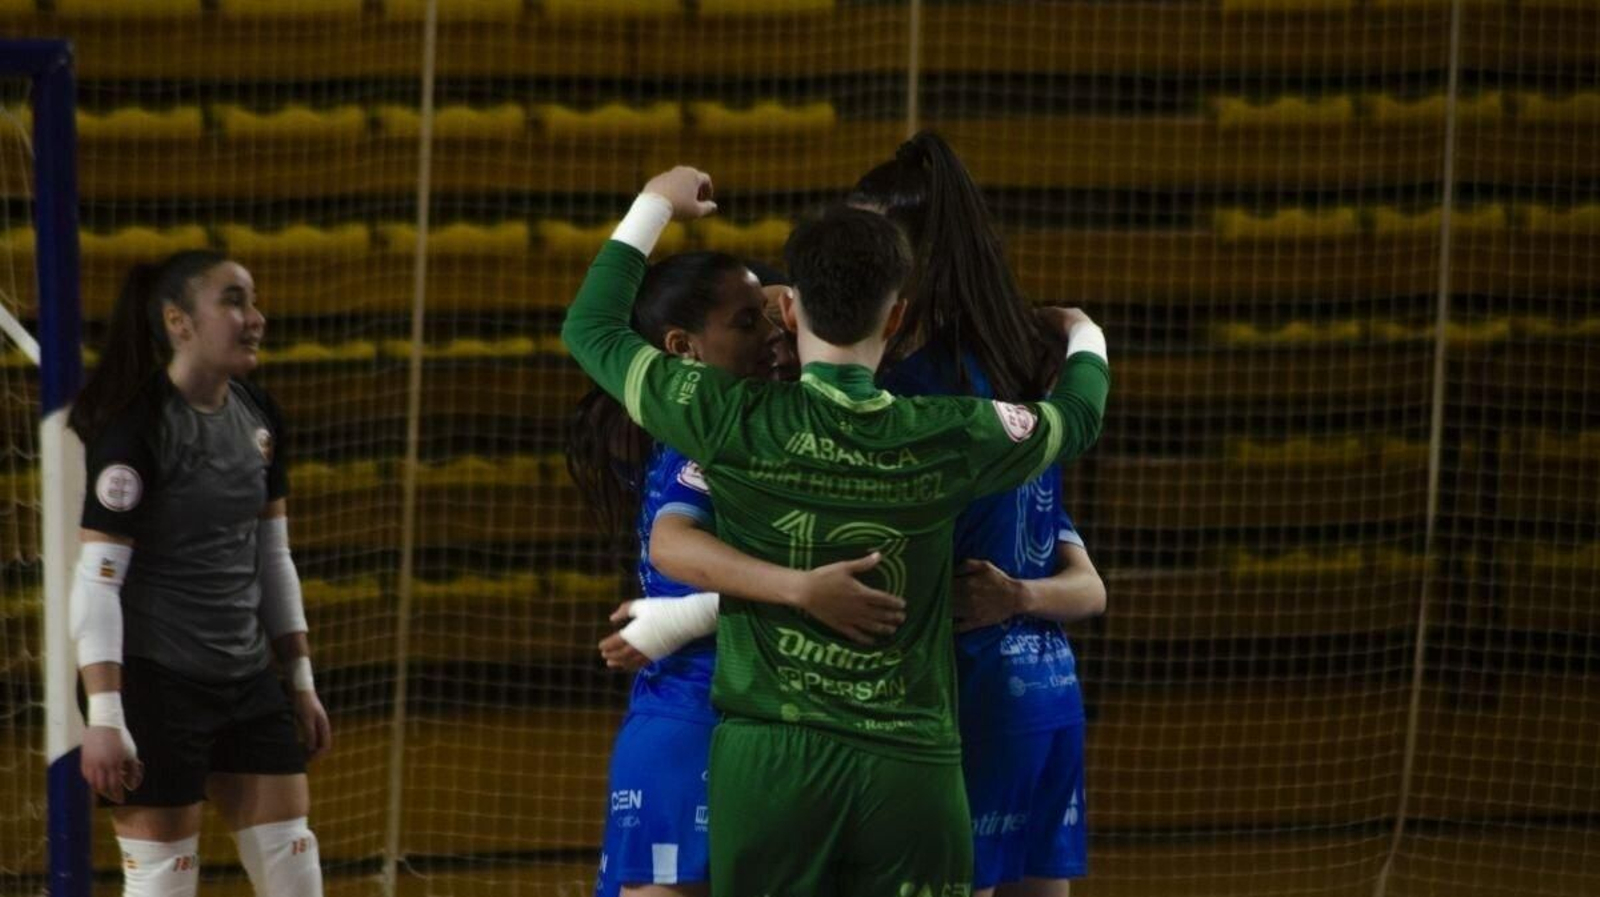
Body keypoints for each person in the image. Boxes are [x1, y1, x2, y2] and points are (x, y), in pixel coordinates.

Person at [562, 166, 1109, 896]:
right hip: (908, 757)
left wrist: (657, 201)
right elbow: (1078, 417)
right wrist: (1084, 331)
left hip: (770, 758)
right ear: (895, 317)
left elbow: (590, 325)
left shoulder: (728, 417)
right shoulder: (947, 432)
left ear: (792, 311)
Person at [567, 251, 905, 897]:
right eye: (748, 322)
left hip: (746, 716)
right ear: (685, 347)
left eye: (778, 318)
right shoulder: (718, 432)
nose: (775, 332)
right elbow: (673, 546)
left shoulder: (703, 416)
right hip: (699, 712)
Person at [859, 132, 1107, 897]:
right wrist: (1084, 334)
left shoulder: (918, 392)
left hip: (961, 696)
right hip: (1047, 692)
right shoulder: (1020, 366)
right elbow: (1088, 583)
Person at [67, 250, 330, 897]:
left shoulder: (258, 416)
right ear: (178, 322)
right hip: (155, 685)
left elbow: (273, 558)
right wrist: (105, 714)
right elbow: (97, 581)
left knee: (295, 869)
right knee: (162, 883)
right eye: (234, 300)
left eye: (254, 299)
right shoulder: (137, 430)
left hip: (247, 681)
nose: (256, 317)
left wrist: (298, 680)